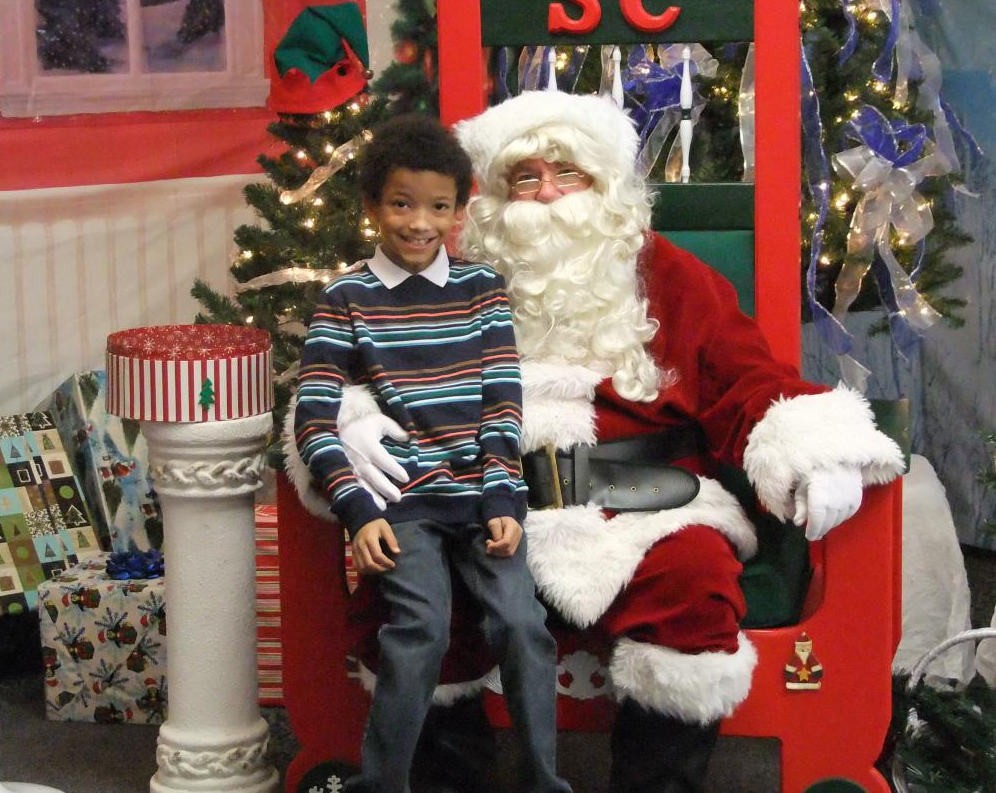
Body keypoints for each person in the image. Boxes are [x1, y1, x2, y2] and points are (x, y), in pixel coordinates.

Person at [314, 90, 906, 793]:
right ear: (494, 199)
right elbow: (359, 362)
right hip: (478, 497)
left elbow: (747, 378)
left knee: (692, 581)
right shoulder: (447, 280)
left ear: (606, 186)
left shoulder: (668, 275)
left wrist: (815, 448)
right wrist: (352, 417)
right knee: (418, 602)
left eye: (568, 173)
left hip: (642, 500)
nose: (547, 194)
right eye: (525, 178)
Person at [292, 113, 571, 793]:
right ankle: (382, 784)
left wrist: (502, 493)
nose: (420, 223)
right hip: (404, 503)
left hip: (480, 496)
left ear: (458, 210)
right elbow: (313, 419)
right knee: (420, 627)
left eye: (438, 207)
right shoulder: (346, 298)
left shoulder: (483, 291)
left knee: (522, 625)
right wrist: (358, 511)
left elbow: (502, 404)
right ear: (371, 206)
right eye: (402, 204)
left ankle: (545, 783)